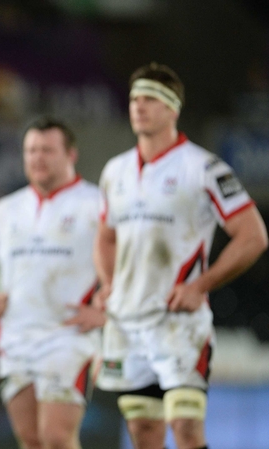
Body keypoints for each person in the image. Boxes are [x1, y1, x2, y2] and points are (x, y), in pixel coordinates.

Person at [94, 63, 268, 449]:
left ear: (173, 109)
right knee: (143, 433)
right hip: (127, 321)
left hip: (178, 323)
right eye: (135, 98)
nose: (139, 106)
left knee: (186, 428)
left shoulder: (204, 167)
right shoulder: (115, 171)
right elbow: (105, 237)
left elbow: (253, 236)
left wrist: (201, 285)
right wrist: (107, 284)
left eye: (151, 99)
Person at [0, 117, 106, 449]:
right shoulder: (7, 209)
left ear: (71, 154)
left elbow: (133, 262)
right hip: (15, 337)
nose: (37, 158)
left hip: (68, 337)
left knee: (57, 438)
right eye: (31, 151)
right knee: (31, 439)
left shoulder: (97, 204)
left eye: (47, 150)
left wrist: (106, 312)